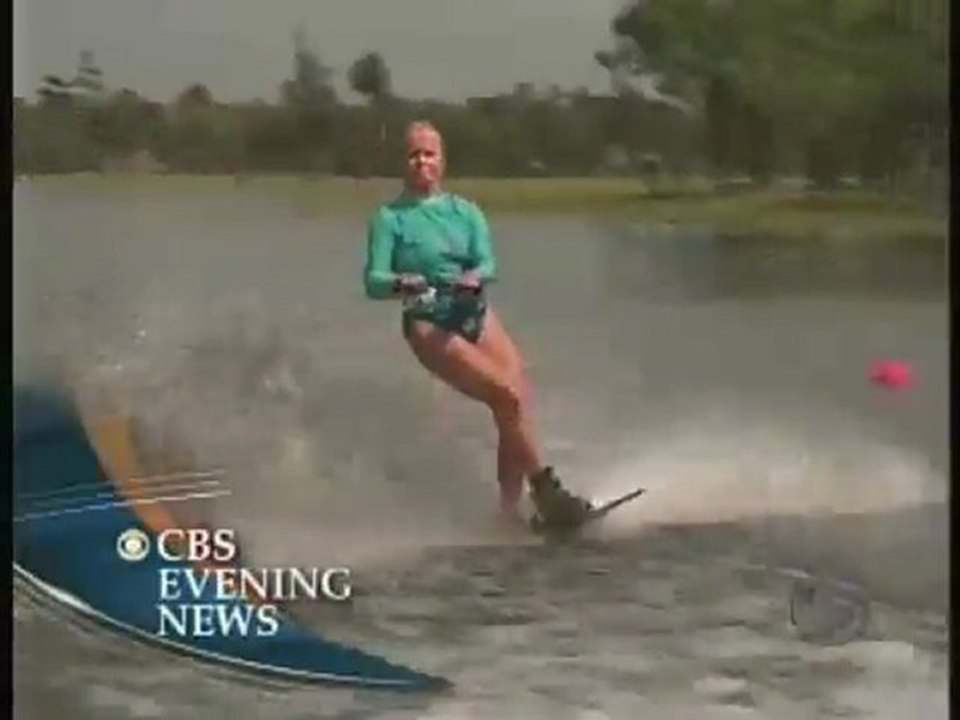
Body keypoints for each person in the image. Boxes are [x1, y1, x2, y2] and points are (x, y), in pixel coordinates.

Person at [362, 121, 592, 532]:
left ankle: (508, 513)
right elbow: (373, 280)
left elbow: (488, 262)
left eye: (429, 153)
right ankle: (547, 492)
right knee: (504, 395)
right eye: (413, 154)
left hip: (471, 309)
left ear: (442, 160)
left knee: (517, 394)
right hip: (427, 316)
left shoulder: (466, 212)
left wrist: (476, 276)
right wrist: (401, 281)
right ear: (402, 162)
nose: (421, 162)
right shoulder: (389, 218)